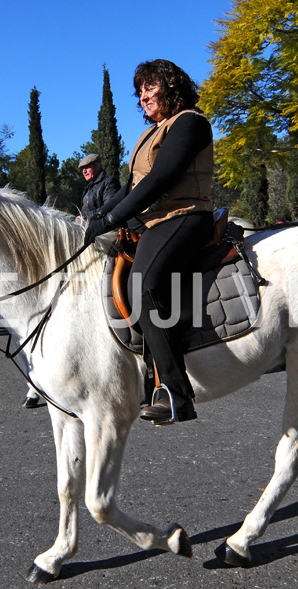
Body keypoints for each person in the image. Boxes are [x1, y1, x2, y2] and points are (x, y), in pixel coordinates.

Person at [83, 59, 213, 425]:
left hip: (186, 215)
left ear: (172, 86)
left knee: (145, 284)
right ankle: (144, 372)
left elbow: (161, 179)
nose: (142, 96)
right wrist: (96, 219)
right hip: (155, 222)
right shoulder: (147, 135)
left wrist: (112, 218)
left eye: (149, 87)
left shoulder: (190, 122)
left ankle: (176, 393)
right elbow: (130, 188)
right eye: (139, 91)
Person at [79, 153, 121, 221]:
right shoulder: (88, 187)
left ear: (97, 166)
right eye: (83, 169)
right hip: (87, 227)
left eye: (87, 167)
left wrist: (86, 217)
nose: (84, 171)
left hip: (105, 229)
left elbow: (109, 208)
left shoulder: (109, 182)